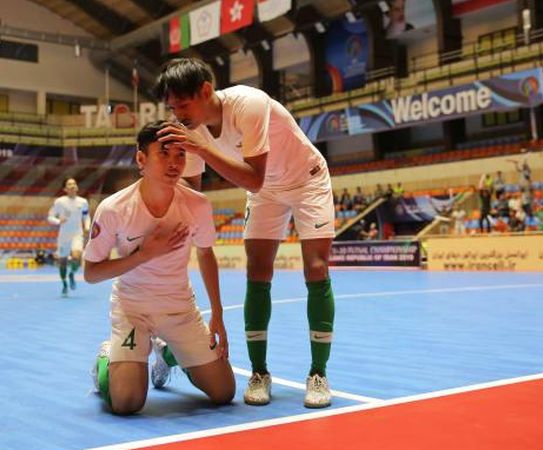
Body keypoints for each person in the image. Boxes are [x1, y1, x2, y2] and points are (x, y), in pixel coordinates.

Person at [155, 58, 336, 408]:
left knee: (316, 268)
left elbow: (253, 177)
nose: (178, 113)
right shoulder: (188, 130)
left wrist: (202, 149)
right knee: (257, 271)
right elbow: (192, 192)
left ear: (205, 91)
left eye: (183, 103)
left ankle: (318, 373)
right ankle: (259, 372)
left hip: (307, 180)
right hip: (266, 191)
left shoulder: (248, 104)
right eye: (172, 107)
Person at [84, 121, 234, 415]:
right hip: (132, 308)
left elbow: (205, 254)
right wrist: (144, 254)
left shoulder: (197, 205)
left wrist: (217, 313)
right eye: (164, 154)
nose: (174, 163)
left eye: (180, 155)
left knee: (224, 392)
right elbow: (91, 273)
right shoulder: (114, 208)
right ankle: (106, 357)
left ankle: (167, 352)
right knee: (127, 403)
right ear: (141, 159)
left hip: (179, 308)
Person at [48, 178, 90, 297]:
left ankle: (72, 274)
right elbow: (50, 217)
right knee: (63, 262)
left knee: (77, 257)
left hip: (77, 234)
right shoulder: (59, 202)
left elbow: (86, 216)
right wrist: (58, 221)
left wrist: (87, 226)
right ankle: (65, 284)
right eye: (69, 184)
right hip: (63, 236)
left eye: (74, 183)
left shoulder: (83, 202)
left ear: (77, 187)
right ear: (65, 189)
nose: (72, 185)